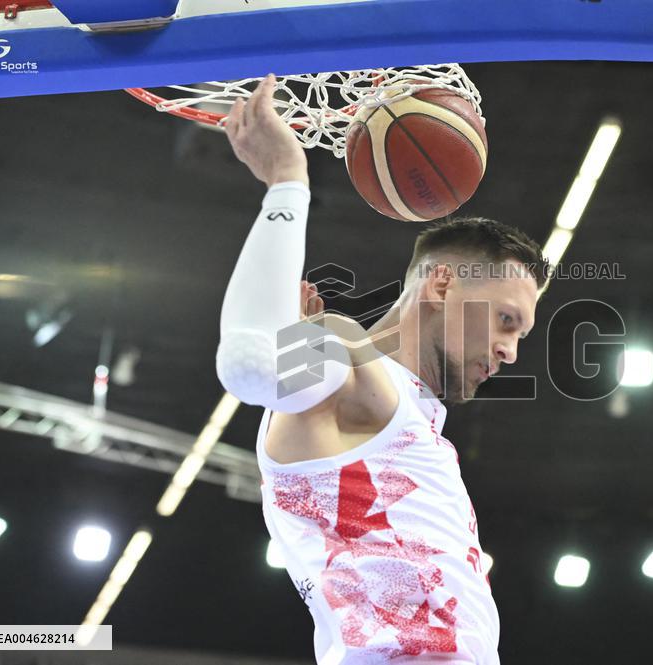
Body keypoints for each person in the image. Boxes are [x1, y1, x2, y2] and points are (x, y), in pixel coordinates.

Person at [215, 74, 547, 664]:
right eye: (505, 321)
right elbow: (250, 362)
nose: (511, 352)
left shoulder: (403, 409)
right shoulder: (355, 366)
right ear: (443, 284)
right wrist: (287, 185)